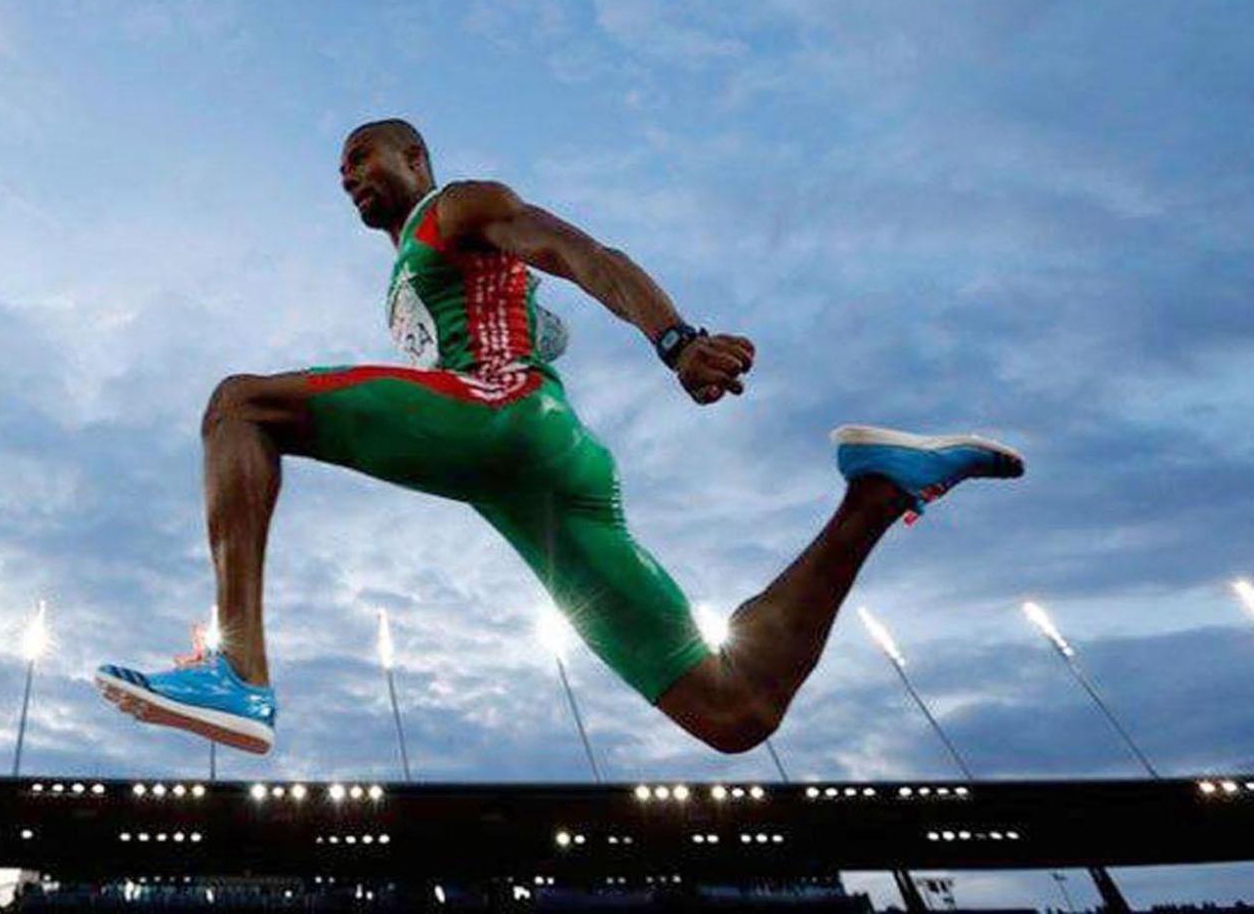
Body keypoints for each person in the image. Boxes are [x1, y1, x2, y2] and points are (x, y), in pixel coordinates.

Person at [95, 118, 1022, 755]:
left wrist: (676, 339)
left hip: (505, 417)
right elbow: (531, 310)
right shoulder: (418, 270)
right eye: (339, 171)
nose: (346, 176)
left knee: (239, 407)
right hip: (539, 480)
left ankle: (239, 670)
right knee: (733, 710)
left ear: (414, 156)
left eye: (360, 155)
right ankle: (876, 492)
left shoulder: (457, 206)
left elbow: (581, 253)